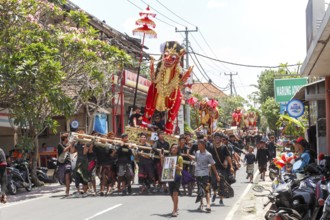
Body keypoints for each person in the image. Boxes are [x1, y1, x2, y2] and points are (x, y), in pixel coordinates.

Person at [188, 140, 220, 213]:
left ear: (203, 145)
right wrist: (189, 155)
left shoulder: (208, 154)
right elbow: (195, 160)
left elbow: (213, 165)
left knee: (207, 189)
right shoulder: (197, 153)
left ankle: (208, 205)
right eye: (198, 145)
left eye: (199, 144)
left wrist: (216, 174)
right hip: (198, 174)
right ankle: (201, 204)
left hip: (205, 174)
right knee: (200, 190)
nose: (198, 146)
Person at [209, 132, 234, 206]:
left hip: (222, 168)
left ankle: (221, 199)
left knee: (222, 184)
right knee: (213, 182)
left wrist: (231, 166)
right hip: (213, 168)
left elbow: (228, 157)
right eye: (215, 137)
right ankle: (214, 193)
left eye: (218, 138)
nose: (216, 139)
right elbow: (208, 156)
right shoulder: (211, 147)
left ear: (220, 139)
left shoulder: (224, 147)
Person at [161, 144, 183, 217]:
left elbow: (181, 169)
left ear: (177, 150)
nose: (174, 149)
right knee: (171, 194)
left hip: (177, 177)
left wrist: (177, 167)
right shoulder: (168, 157)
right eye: (173, 147)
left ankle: (174, 210)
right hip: (169, 176)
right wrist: (162, 158)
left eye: (175, 148)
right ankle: (176, 206)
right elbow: (163, 165)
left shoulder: (179, 157)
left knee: (175, 194)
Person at [70, 131, 89, 197]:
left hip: (84, 161)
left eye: (81, 135)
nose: (80, 136)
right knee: (77, 176)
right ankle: (78, 190)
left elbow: (84, 153)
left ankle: (85, 191)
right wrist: (72, 143)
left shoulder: (86, 143)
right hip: (78, 161)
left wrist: (85, 146)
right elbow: (72, 151)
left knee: (84, 176)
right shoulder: (77, 144)